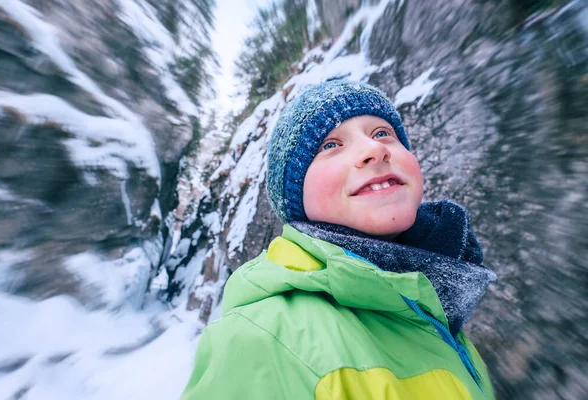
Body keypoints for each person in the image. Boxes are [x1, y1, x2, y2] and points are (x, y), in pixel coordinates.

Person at [180, 80, 497, 400]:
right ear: (296, 198)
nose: (375, 149)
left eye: (382, 133)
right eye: (330, 145)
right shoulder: (263, 341)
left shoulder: (427, 300)